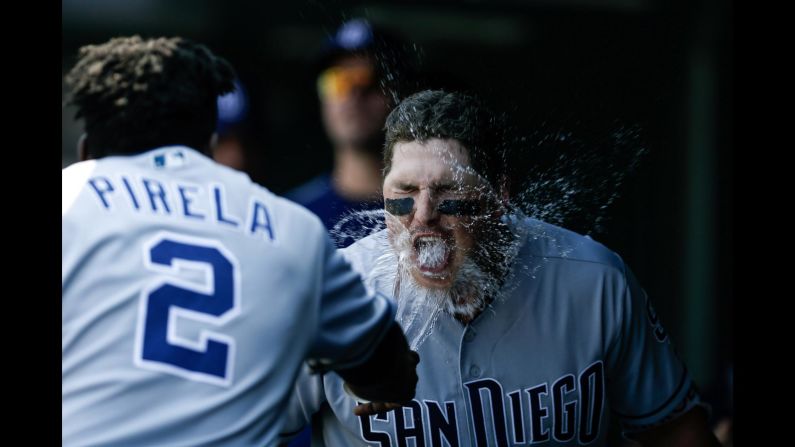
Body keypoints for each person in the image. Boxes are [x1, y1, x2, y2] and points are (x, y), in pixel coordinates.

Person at [279, 90, 721, 446]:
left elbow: (675, 432)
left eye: (448, 192)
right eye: (404, 192)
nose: (423, 215)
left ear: (499, 194)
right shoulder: (333, 295)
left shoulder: (595, 280)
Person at [62, 35, 419, 446]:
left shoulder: (72, 196)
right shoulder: (290, 225)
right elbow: (392, 374)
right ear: (209, 139)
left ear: (86, 150)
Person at [286, 18, 413, 246]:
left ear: (401, 94)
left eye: (370, 80)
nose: (353, 95)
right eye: (337, 80)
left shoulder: (429, 214)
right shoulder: (291, 217)